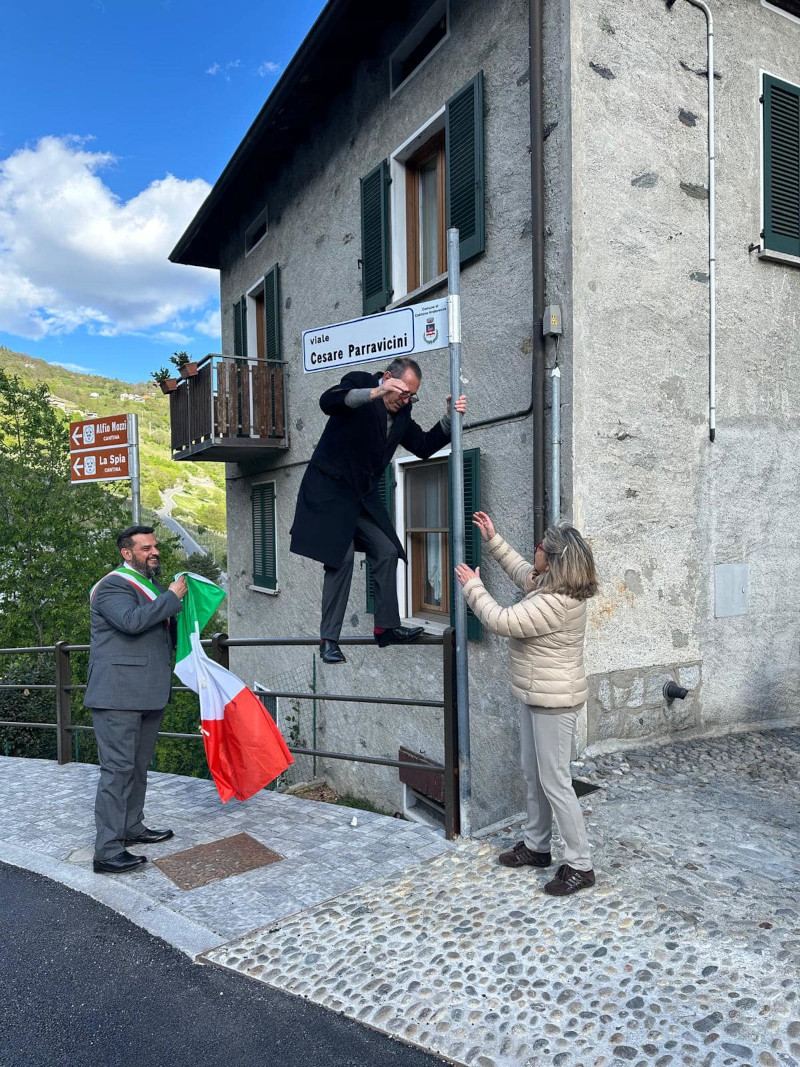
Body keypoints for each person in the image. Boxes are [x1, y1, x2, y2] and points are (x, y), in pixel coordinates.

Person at [455, 513, 598, 896]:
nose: (534, 549)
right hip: (537, 695)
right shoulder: (549, 586)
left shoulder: (556, 604)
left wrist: (473, 587)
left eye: (540, 547)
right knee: (533, 775)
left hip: (555, 703)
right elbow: (524, 573)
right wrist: (494, 539)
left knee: (556, 782)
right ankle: (537, 847)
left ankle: (580, 866)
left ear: (552, 560)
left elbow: (502, 620)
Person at [290, 357, 467, 664]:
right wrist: (374, 392)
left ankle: (386, 628)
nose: (405, 399)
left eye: (411, 395)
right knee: (340, 557)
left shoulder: (402, 415)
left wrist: (450, 418)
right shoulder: (360, 382)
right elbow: (328, 401)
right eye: (402, 392)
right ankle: (328, 639)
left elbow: (424, 445)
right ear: (388, 378)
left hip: (360, 498)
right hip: (329, 492)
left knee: (386, 551)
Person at [84, 525, 187, 874]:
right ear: (127, 553)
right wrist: (172, 597)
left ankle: (131, 826)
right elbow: (130, 622)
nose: (154, 551)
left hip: (147, 692)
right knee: (117, 772)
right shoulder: (112, 585)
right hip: (117, 695)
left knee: (137, 768)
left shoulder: (154, 585)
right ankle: (108, 851)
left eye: (155, 546)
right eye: (146, 548)